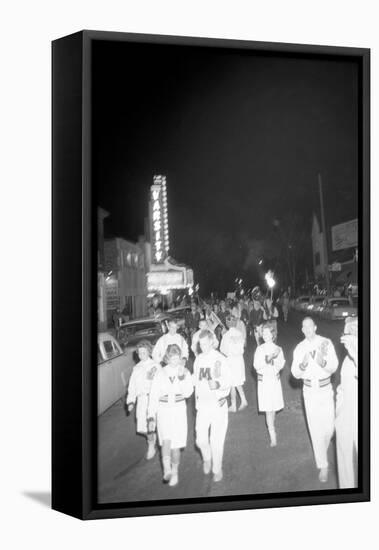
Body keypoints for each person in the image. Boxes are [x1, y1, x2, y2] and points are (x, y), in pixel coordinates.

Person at [291, 317, 339, 482]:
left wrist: (322, 362)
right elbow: (295, 373)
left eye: (310, 326)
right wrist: (303, 365)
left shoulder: (325, 342)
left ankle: (322, 450)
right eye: (304, 327)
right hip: (310, 391)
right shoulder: (299, 348)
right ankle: (323, 465)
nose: (308, 329)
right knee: (316, 430)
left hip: (326, 390)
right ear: (302, 330)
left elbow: (333, 366)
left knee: (330, 428)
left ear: (315, 327)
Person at [147, 344, 193, 487]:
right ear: (167, 358)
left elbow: (188, 393)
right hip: (163, 409)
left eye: (177, 358)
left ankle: (175, 471)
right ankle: (167, 469)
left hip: (178, 410)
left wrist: (182, 378)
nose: (175, 361)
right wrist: (151, 416)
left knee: (175, 446)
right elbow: (153, 395)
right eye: (172, 358)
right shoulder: (161, 373)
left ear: (180, 358)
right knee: (166, 439)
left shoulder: (185, 372)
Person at [193, 329, 231, 482]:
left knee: (216, 441)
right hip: (202, 406)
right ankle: (207, 458)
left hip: (217, 405)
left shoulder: (220, 359)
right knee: (200, 440)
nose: (203, 347)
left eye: (205, 343)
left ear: (211, 342)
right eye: (200, 344)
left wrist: (218, 383)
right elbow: (195, 381)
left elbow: (229, 380)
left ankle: (217, 468)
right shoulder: (198, 360)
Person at [126, 340, 161, 460]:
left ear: (149, 352)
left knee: (150, 424)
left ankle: (151, 446)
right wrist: (131, 401)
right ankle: (152, 438)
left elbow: (161, 383)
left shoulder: (155, 366)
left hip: (152, 399)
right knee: (142, 427)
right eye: (140, 353)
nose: (142, 355)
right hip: (141, 400)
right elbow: (132, 386)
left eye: (144, 352)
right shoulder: (137, 368)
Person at [335, 317, 358, 488]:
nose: (347, 334)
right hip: (345, 409)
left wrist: (356, 353)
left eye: (351, 330)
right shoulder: (348, 357)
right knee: (343, 453)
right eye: (346, 331)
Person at [253, 324, 285, 446]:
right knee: (268, 410)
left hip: (274, 381)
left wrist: (275, 358)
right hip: (264, 382)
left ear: (273, 334)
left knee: (273, 409)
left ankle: (272, 426)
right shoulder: (259, 349)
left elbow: (280, 365)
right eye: (264, 333)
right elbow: (256, 365)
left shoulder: (278, 349)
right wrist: (268, 358)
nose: (266, 336)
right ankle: (273, 436)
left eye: (268, 333)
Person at [220, 315, 248, 412]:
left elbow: (222, 350)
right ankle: (235, 404)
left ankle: (238, 402)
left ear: (227, 324)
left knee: (233, 382)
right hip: (239, 360)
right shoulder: (239, 333)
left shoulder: (226, 335)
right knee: (235, 382)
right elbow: (242, 346)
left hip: (231, 360)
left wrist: (223, 335)